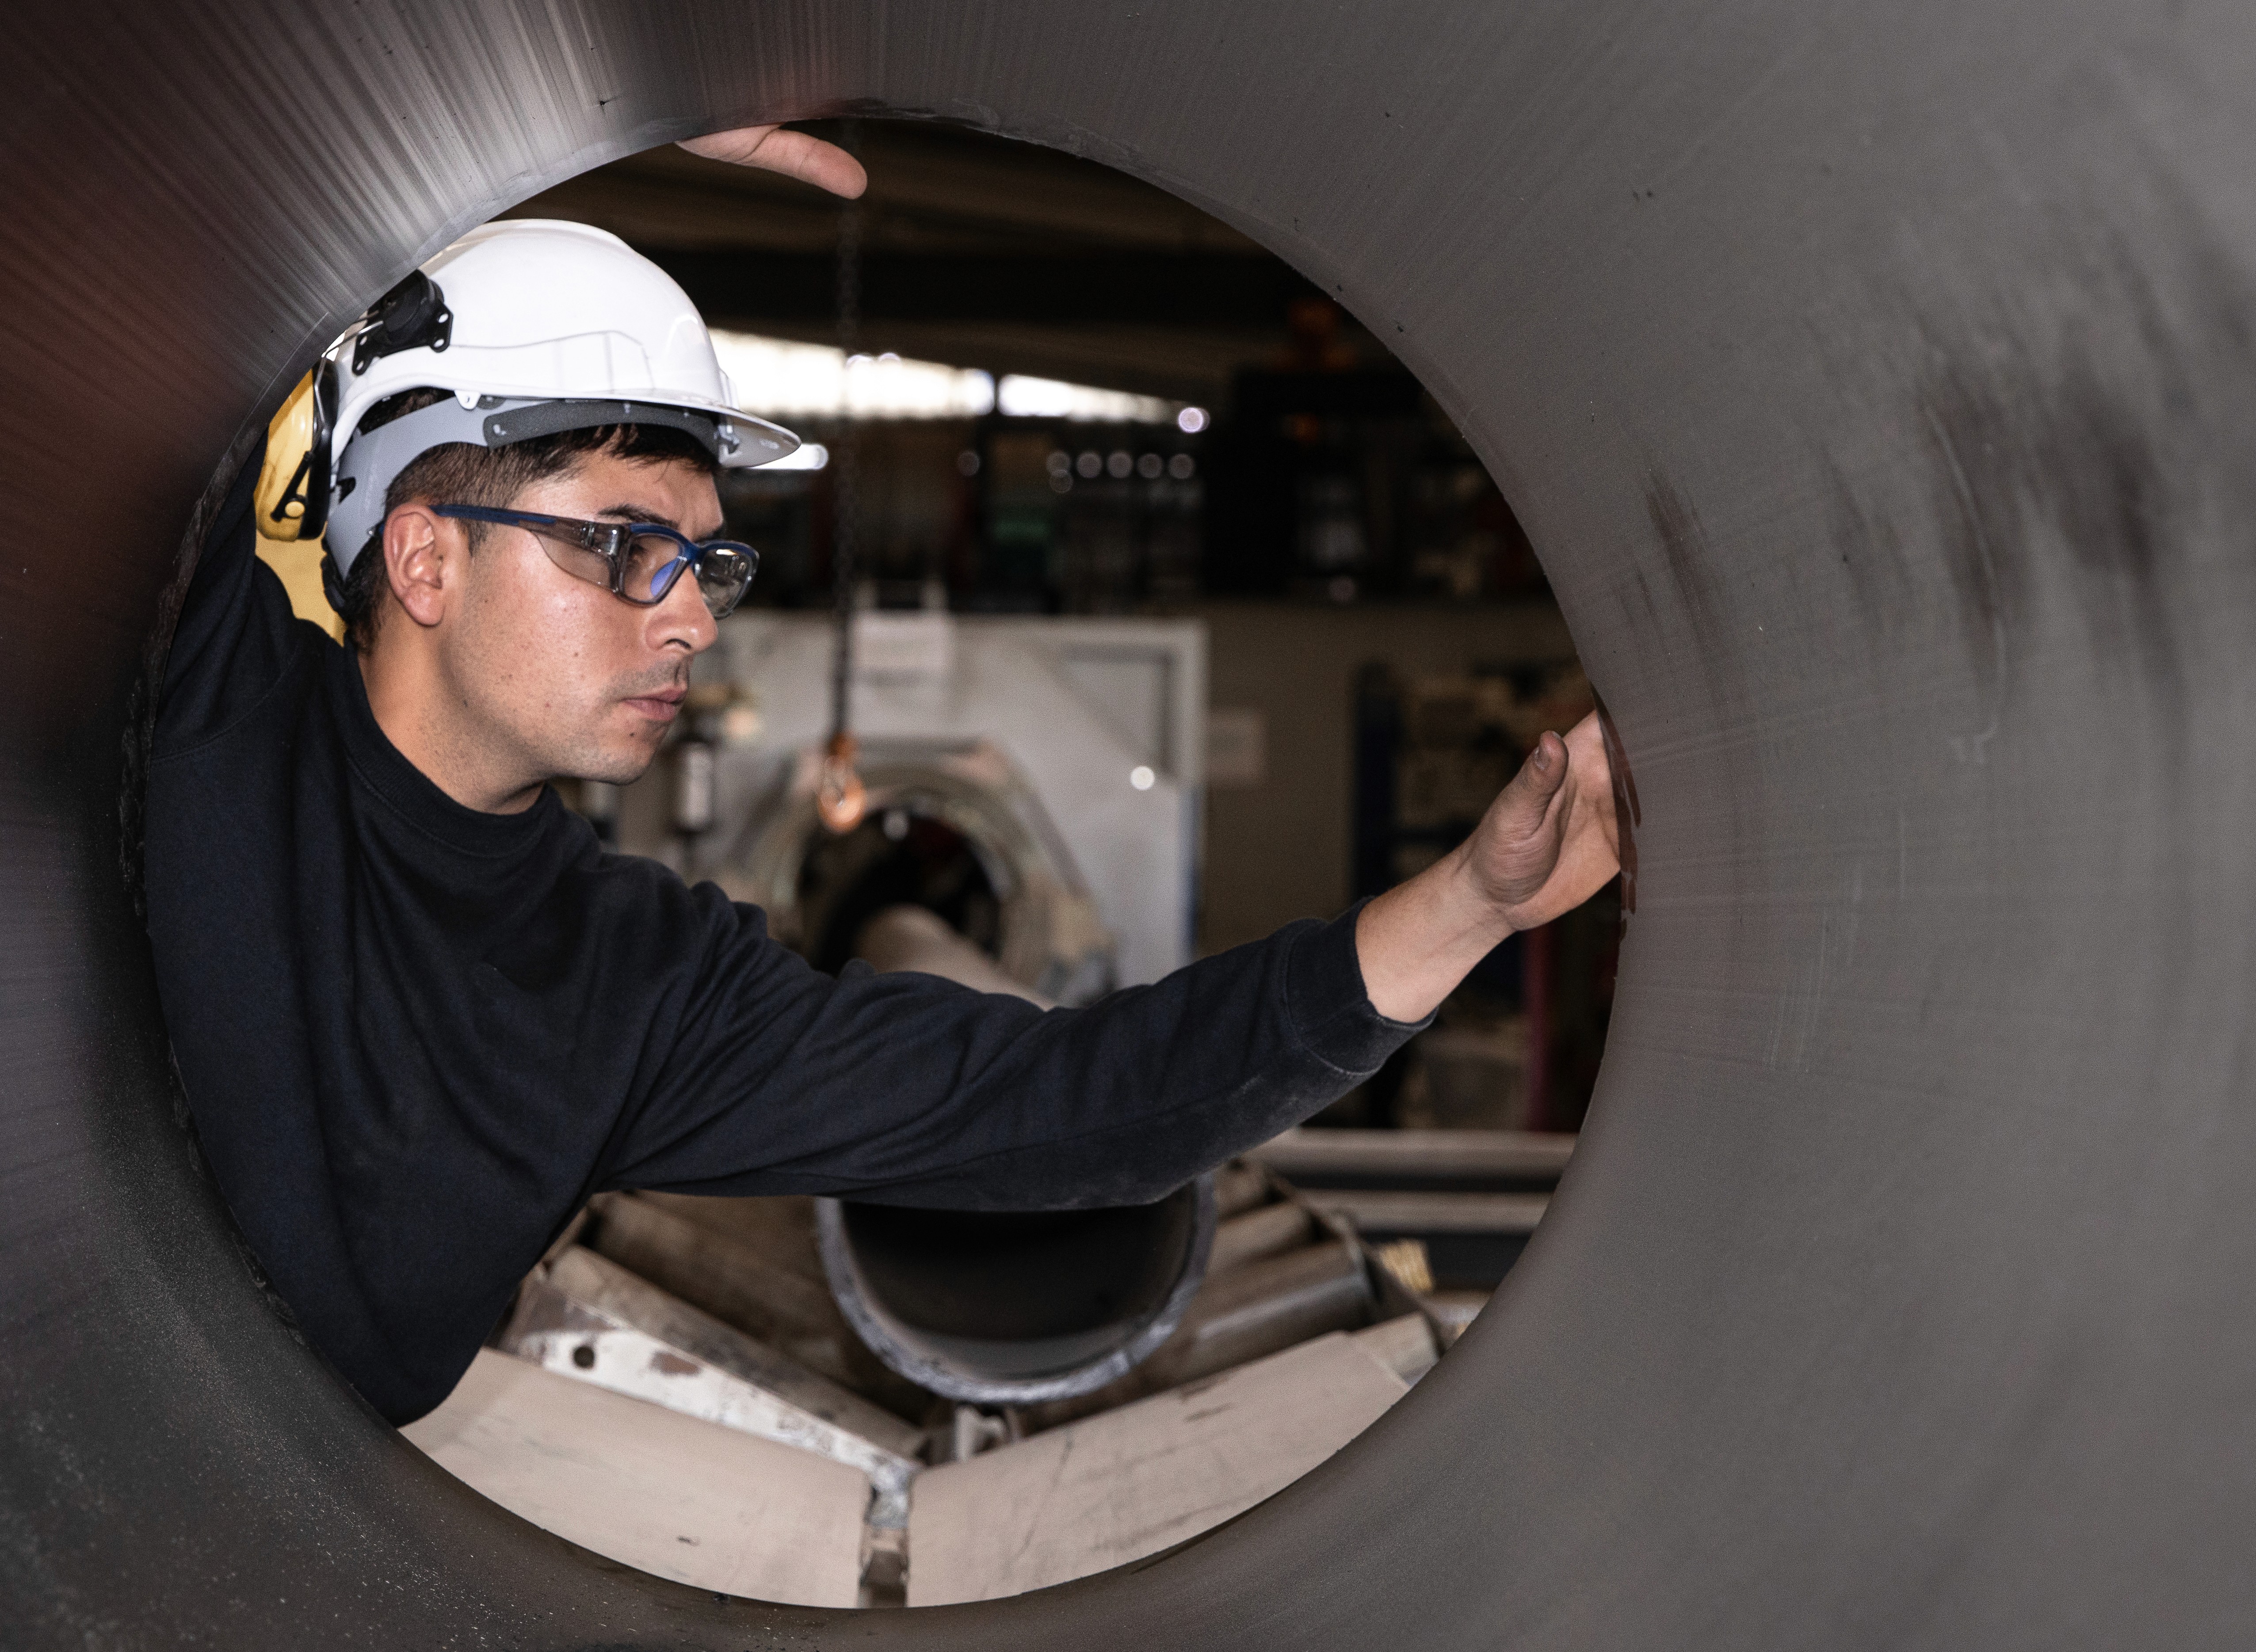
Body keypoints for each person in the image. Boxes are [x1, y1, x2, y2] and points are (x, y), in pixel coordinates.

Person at [146, 127, 1620, 1426]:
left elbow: (1069, 1102)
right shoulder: (187, 684)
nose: (693, 612)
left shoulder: (640, 983)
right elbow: (120, 161)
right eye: (625, 545)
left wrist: (1476, 903)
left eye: (706, 557)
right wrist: (511, 101)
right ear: (420, 555)